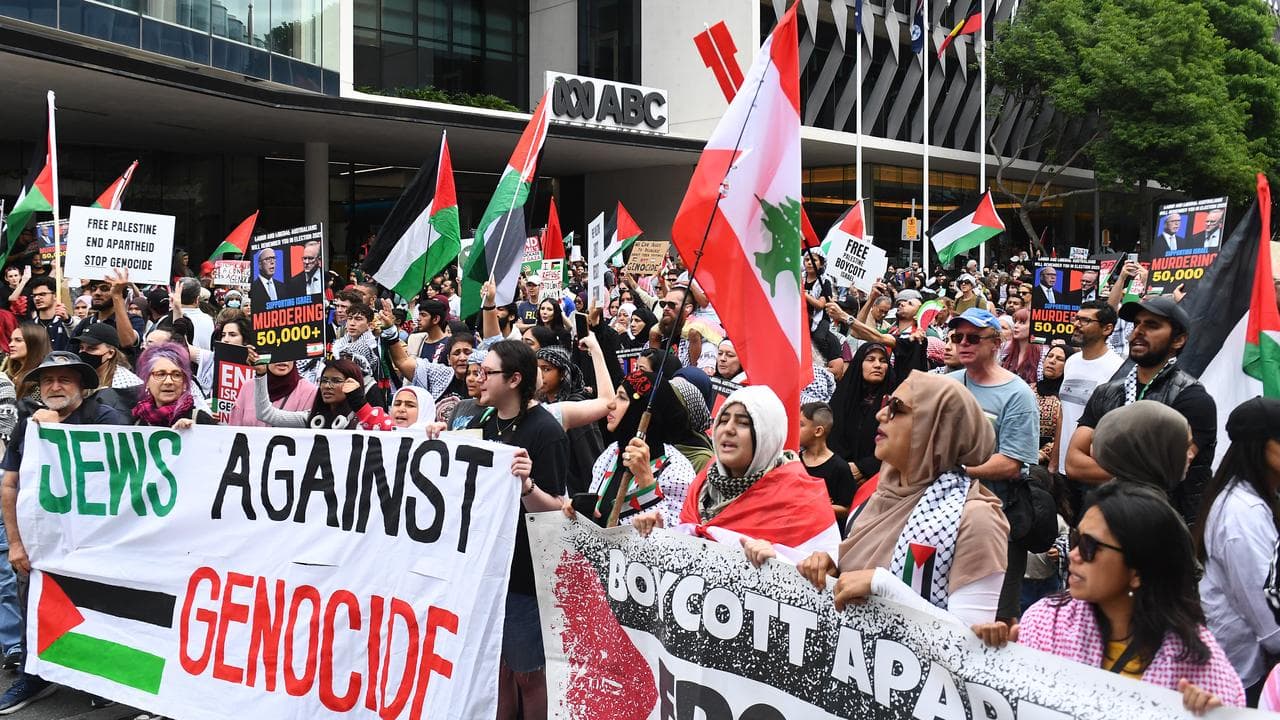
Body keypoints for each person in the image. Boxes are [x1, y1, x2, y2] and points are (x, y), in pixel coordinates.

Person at [974, 482, 1246, 713]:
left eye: (1091, 547)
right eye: (1077, 539)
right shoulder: (1046, 623)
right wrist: (990, 660)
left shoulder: (1195, 660)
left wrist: (1211, 714)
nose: (1074, 555)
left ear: (1139, 569)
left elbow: (1230, 708)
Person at [798, 371, 1008, 625]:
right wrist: (830, 571)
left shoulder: (975, 518)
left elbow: (969, 644)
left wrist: (884, 586)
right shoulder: (876, 493)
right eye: (887, 403)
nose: (881, 414)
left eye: (897, 408)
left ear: (935, 428)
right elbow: (855, 579)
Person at [0, 352, 129, 713]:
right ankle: (35, 675)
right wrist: (14, 543)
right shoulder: (28, 425)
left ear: (82, 387)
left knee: (94, 607)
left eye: (64, 380)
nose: (55, 387)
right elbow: (10, 485)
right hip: (41, 541)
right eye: (47, 381)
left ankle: (96, 678)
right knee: (35, 607)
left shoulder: (104, 418)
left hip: (92, 541)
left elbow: (127, 464)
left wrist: (58, 429)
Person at [460, 340, 568, 720]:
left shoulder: (545, 431)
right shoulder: (484, 422)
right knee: (498, 670)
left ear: (514, 379)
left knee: (528, 675)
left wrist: (528, 488)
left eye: (486, 372)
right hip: (489, 571)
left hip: (525, 576)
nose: (478, 379)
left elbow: (559, 511)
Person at [632, 385, 841, 564]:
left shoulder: (802, 498)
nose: (728, 429)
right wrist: (659, 535)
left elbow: (825, 577)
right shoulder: (703, 483)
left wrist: (779, 563)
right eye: (723, 420)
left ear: (767, 434)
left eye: (742, 422)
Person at [1066, 296, 1216, 525]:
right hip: (1106, 520)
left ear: (1178, 340)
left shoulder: (1192, 398)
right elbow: (1074, 463)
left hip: (1162, 527)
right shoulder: (1106, 392)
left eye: (1152, 325)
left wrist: (1103, 457)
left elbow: (1166, 471)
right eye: (1137, 324)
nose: (1138, 331)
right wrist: (1138, 468)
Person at [947, 307, 1040, 621]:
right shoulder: (949, 383)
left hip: (997, 519)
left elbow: (1011, 463)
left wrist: (956, 471)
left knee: (993, 615)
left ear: (996, 343)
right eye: (957, 336)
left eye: (973, 337)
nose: (963, 343)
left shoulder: (1018, 395)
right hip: (947, 513)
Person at [1195, 397, 1280, 703]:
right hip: (1237, 680)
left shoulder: (1253, 501)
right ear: (1260, 446)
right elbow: (1270, 624)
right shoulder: (1243, 514)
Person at [570, 369, 697, 528]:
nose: (611, 404)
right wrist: (576, 513)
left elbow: (675, 538)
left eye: (622, 397)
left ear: (640, 409)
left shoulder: (676, 470)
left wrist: (646, 480)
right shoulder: (613, 451)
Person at [1052, 301, 1123, 486]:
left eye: (1085, 321)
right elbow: (1063, 414)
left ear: (1107, 329)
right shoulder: (1072, 362)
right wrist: (1054, 461)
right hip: (1063, 469)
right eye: (1076, 319)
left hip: (1092, 474)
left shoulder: (1118, 369)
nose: (1076, 324)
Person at [248, 350, 393, 430]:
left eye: (336, 381)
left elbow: (387, 429)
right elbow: (265, 414)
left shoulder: (361, 422)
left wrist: (359, 403)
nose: (327, 386)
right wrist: (261, 374)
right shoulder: (312, 419)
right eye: (324, 380)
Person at [827, 342, 894, 489]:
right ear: (859, 364)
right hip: (838, 476)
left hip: (878, 482)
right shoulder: (843, 398)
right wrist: (843, 468)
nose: (878, 365)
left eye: (883, 361)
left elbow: (898, 445)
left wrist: (864, 468)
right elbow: (830, 439)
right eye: (871, 359)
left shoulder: (894, 403)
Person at [799, 402, 857, 529]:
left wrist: (816, 506)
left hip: (824, 533)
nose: (795, 429)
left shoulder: (839, 467)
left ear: (818, 431)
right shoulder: (795, 460)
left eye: (801, 425)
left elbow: (847, 508)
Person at [131, 342, 217, 427]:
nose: (169, 381)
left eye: (176, 375)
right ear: (147, 381)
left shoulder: (199, 419)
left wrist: (195, 432)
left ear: (185, 383)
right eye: (160, 374)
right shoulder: (138, 421)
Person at [225, 357, 317, 428]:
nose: (283, 359)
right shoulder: (248, 387)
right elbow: (233, 430)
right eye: (277, 352)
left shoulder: (310, 392)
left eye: (289, 352)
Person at [76, 323, 144, 416]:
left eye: (92, 348)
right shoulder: (80, 376)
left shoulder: (127, 384)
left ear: (110, 353)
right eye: (81, 348)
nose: (84, 353)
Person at [1034, 345, 1070, 465]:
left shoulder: (1068, 398)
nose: (1052, 361)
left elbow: (1066, 434)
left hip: (1047, 463)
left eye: (1060, 359)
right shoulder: (1027, 389)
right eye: (1049, 356)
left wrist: (1043, 454)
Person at [1, 323, 49, 404]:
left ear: (34, 343)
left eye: (18, 340)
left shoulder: (43, 378)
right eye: (11, 340)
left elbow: (29, 409)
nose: (10, 345)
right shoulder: (7, 374)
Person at [22, 276, 68, 351]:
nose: (37, 298)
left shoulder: (66, 324)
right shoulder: (28, 326)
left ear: (55, 295)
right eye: (34, 295)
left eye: (42, 294)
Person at [1000, 309, 1044, 387]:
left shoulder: (1043, 353)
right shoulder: (1004, 348)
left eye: (1022, 323)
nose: (1016, 326)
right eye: (1015, 322)